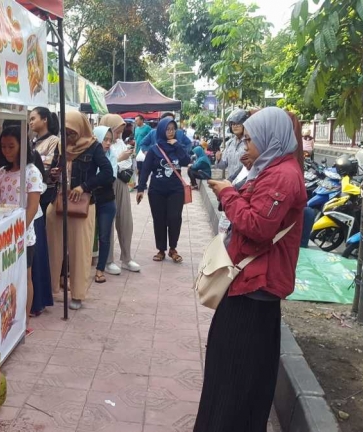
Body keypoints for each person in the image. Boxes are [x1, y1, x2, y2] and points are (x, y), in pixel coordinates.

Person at [195, 107, 306, 432]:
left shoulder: (283, 177)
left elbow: (257, 226)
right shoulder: (273, 169)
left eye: (250, 141)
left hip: (255, 289)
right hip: (249, 284)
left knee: (233, 377)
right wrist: (244, 177)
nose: (246, 148)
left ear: (271, 139)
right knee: (235, 376)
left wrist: (228, 191)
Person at [46, 111, 114, 309]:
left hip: (82, 204)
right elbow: (52, 170)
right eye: (65, 132)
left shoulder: (92, 146)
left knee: (80, 249)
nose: (68, 137)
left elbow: (108, 173)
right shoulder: (60, 145)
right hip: (59, 201)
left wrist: (84, 186)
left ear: (81, 129)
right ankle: (52, 288)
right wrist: (53, 173)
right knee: (53, 245)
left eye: (72, 133)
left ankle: (77, 294)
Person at [0, 127, 48, 328]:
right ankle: (8, 321)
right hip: (3, 237)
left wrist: (18, 231)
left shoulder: (32, 172)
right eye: (3, 146)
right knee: (7, 278)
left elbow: (33, 207)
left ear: (22, 147)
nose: (7, 151)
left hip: (24, 236)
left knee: (25, 276)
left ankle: (24, 321)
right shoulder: (2, 172)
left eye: (12, 146)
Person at [136, 117, 191, 263]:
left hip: (176, 190)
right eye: (168, 129)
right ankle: (161, 249)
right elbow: (145, 170)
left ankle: (173, 248)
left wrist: (178, 146)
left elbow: (186, 161)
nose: (171, 132)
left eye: (173, 129)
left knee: (174, 218)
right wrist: (141, 188)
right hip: (157, 191)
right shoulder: (154, 150)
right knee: (159, 220)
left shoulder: (178, 147)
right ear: (161, 130)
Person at [99, 114, 140, 274]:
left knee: (125, 221)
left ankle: (126, 257)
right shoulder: (99, 143)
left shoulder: (120, 143)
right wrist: (119, 158)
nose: (118, 136)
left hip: (122, 182)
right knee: (107, 223)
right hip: (108, 184)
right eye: (116, 132)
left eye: (120, 132)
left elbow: (126, 163)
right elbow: (103, 165)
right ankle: (108, 261)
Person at [91, 126, 118, 283]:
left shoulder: (111, 156)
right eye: (105, 139)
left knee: (104, 236)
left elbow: (110, 178)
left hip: (107, 200)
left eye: (110, 140)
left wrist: (92, 182)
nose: (108, 143)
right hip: (89, 200)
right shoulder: (89, 155)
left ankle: (100, 269)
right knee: (85, 236)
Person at [29, 107, 61, 213]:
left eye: (33, 119)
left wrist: (38, 161)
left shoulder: (54, 140)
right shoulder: (31, 142)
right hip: (31, 189)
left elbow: (48, 165)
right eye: (30, 120)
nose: (30, 122)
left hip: (47, 191)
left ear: (44, 120)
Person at [216, 109, 250, 180]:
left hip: (245, 181)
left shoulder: (249, 142)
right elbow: (223, 165)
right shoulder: (229, 143)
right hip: (232, 181)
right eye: (233, 124)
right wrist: (218, 160)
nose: (235, 126)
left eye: (238, 123)